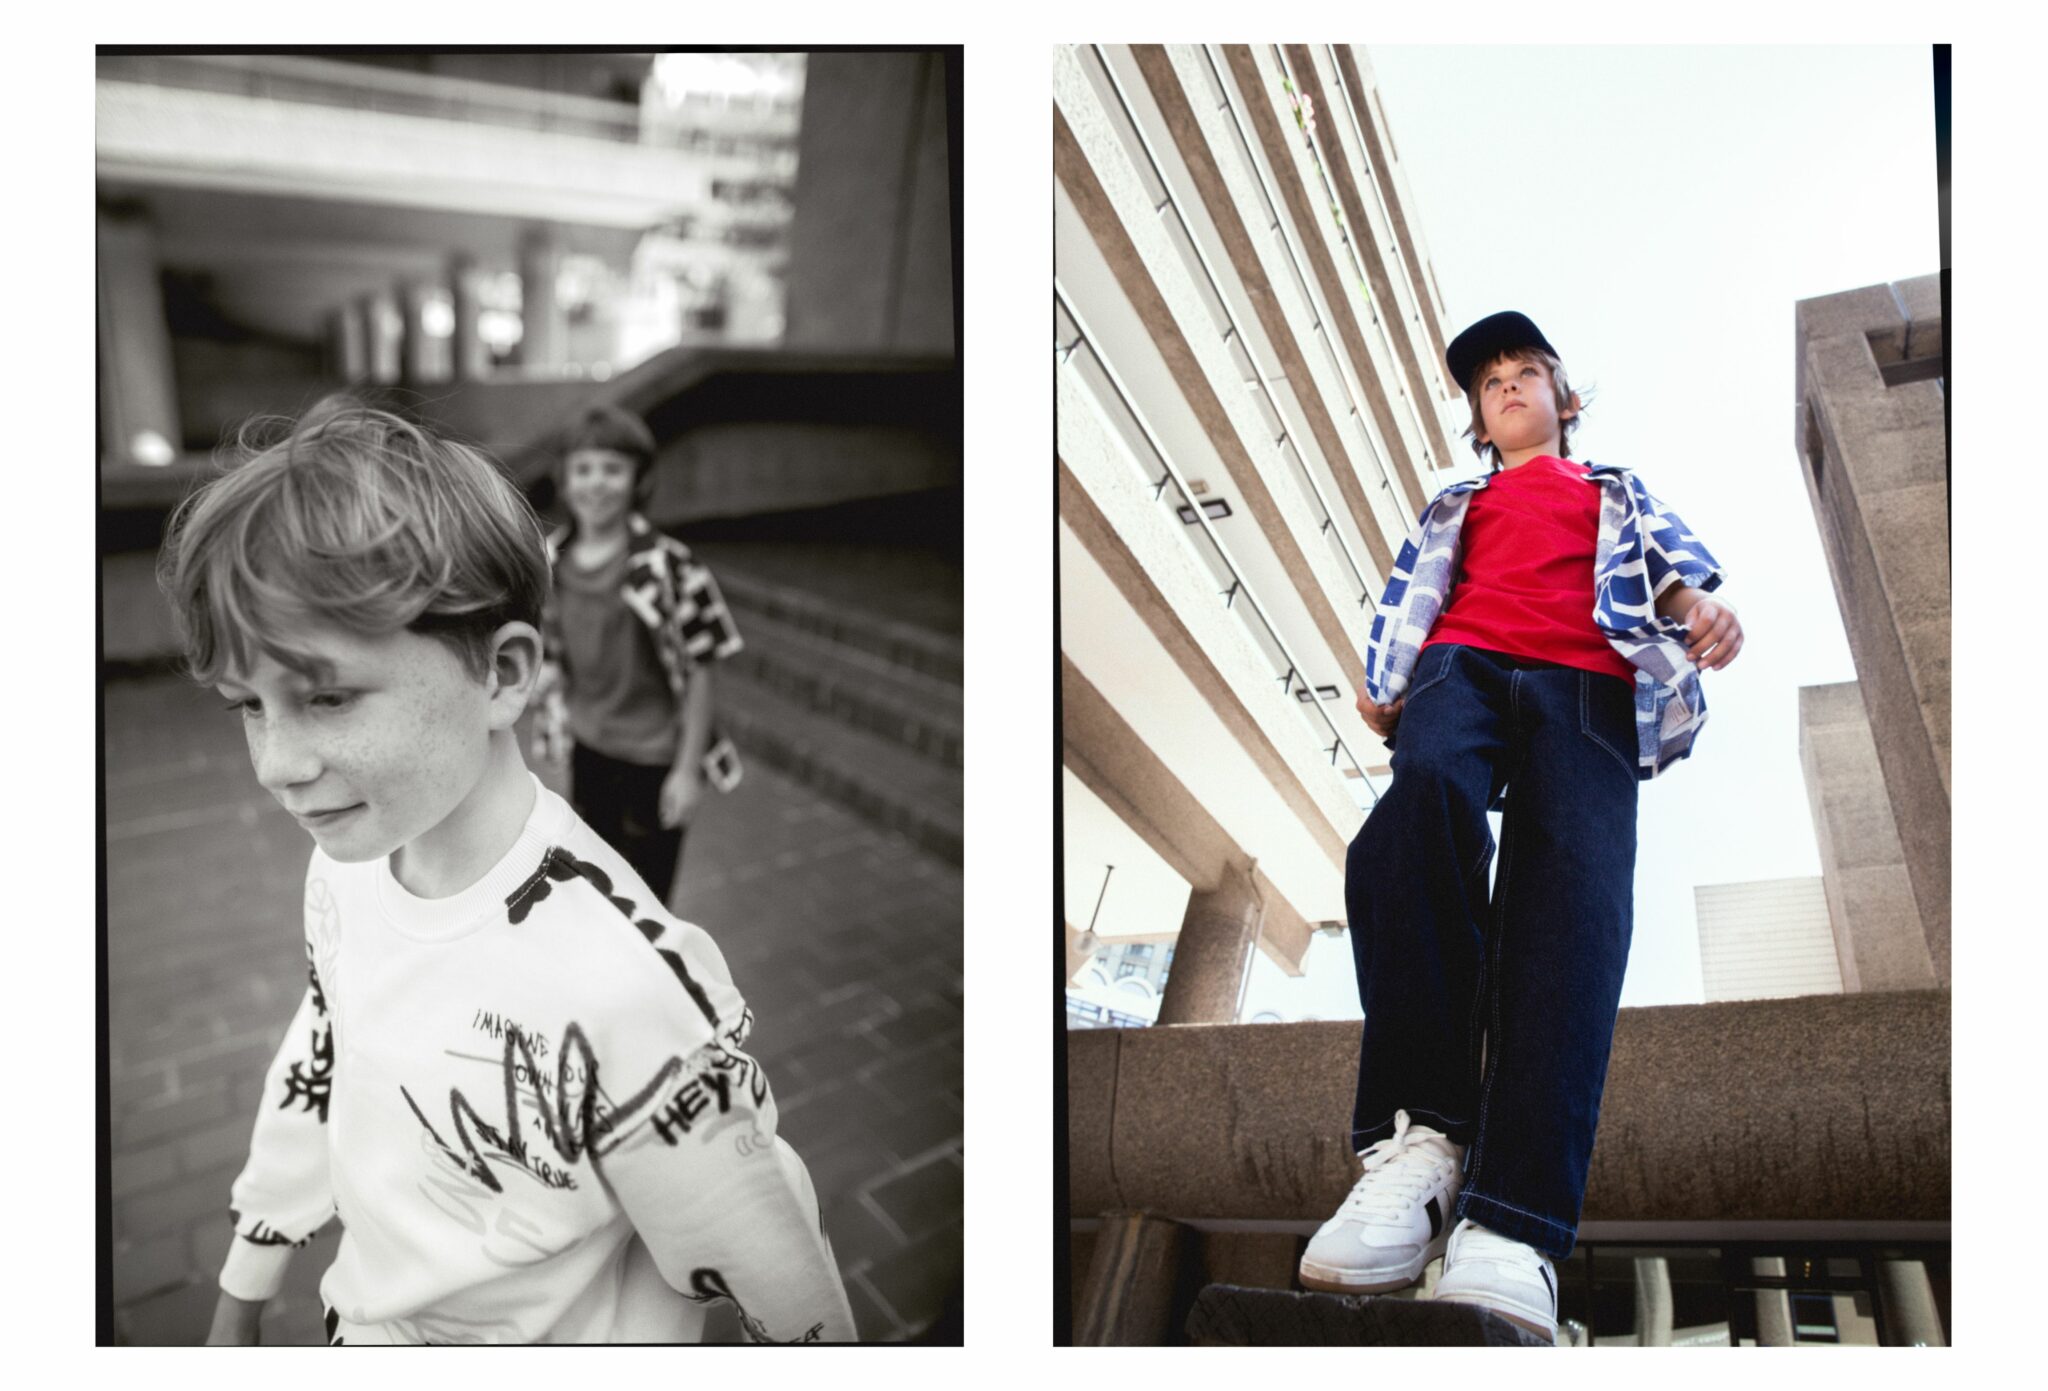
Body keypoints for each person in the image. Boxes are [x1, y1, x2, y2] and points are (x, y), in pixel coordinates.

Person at [157, 399, 854, 1344]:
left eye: (325, 696)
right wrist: (245, 1283)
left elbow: (787, 1285)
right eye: (248, 705)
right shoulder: (345, 865)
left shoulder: (627, 990)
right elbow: (325, 1054)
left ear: (501, 673)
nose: (277, 764)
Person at [1297, 313, 1742, 1341]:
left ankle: (1511, 1222)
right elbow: (1414, 592)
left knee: (1570, 896)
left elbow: (1665, 569)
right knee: (1418, 812)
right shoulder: (1459, 498)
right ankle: (1421, 1140)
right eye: (1487, 382)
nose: (1504, 387)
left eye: (1523, 374)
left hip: (1585, 682)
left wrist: (1699, 612)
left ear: (1561, 398)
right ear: (1475, 418)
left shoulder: (1607, 488)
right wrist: (1387, 684)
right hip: (1460, 665)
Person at [533, 404, 743, 907]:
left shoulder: (669, 567)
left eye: (613, 469)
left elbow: (700, 669)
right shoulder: (549, 561)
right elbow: (551, 647)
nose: (597, 483)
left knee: (648, 897)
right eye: (583, 469)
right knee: (597, 887)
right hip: (590, 748)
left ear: (638, 479)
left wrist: (687, 771)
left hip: (654, 757)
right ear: (564, 480)